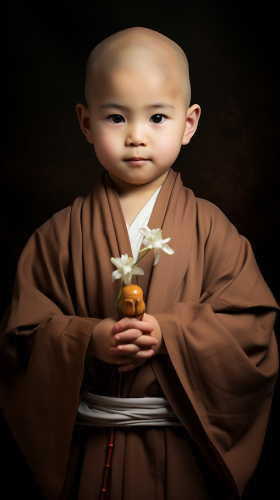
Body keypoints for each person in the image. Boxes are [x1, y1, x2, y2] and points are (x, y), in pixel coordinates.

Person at [0, 26, 278, 500]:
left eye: (156, 117)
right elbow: (21, 340)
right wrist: (86, 340)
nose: (135, 137)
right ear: (85, 123)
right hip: (89, 454)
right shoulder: (58, 235)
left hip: (182, 448)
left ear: (188, 124)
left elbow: (252, 331)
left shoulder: (212, 229)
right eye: (115, 117)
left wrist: (171, 334)